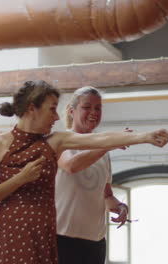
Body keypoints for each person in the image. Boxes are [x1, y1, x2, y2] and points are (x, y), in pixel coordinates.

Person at [0, 80, 168, 264]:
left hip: (48, 235)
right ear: (32, 109)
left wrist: (145, 136)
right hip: (17, 234)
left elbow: (99, 140)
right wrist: (21, 178)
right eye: (52, 109)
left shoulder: (54, 141)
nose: (56, 117)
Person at [55, 86, 130, 264]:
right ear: (72, 111)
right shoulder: (61, 139)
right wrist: (108, 144)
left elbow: (106, 195)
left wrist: (120, 207)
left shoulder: (103, 150)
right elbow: (72, 166)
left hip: (95, 241)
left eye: (98, 108)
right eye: (87, 107)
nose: (93, 112)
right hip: (63, 237)